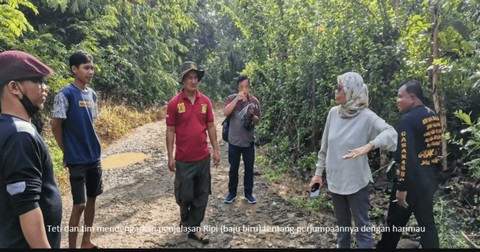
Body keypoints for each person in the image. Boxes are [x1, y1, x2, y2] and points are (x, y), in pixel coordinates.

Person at [307, 72, 397, 248]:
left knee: (363, 230)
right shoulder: (333, 113)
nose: (336, 91)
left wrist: (371, 145)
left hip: (356, 183)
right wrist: (318, 174)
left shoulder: (366, 116)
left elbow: (392, 134)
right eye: (337, 87)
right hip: (335, 182)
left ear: (352, 91)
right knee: (342, 230)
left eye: (340, 88)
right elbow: (324, 148)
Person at [0, 50, 62, 248]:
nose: (45, 88)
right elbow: (27, 207)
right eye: (38, 81)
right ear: (14, 87)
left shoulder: (6, 127)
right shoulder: (21, 134)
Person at [376, 80, 441, 249]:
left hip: (410, 184)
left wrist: (402, 188)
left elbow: (406, 156)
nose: (397, 100)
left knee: (393, 227)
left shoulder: (408, 119)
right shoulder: (432, 115)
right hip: (428, 182)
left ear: (412, 98)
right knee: (428, 227)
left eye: (400, 96)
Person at [51, 50, 102, 249]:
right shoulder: (64, 95)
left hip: (94, 157)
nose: (90, 72)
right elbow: (56, 126)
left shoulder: (93, 95)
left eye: (92, 68)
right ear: (74, 69)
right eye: (86, 68)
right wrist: (66, 151)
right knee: (78, 205)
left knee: (91, 200)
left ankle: (86, 241)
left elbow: (92, 123)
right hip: (77, 160)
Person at [166, 61, 220, 244]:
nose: (193, 80)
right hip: (183, 159)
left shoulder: (205, 101)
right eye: (190, 77)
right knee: (185, 195)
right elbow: (170, 130)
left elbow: (211, 126)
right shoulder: (174, 104)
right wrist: (170, 156)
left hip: (203, 157)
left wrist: (216, 150)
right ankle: (185, 216)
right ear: (183, 80)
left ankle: (194, 228)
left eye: (196, 77)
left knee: (202, 194)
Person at [222, 75, 261, 204]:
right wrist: (237, 100)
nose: (244, 89)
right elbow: (225, 112)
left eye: (246, 86)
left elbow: (257, 121)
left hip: (248, 141)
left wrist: (252, 115)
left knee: (249, 168)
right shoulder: (231, 99)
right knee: (233, 167)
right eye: (241, 87)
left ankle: (248, 193)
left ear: (249, 87)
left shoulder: (254, 101)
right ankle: (231, 193)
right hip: (234, 141)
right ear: (238, 87)